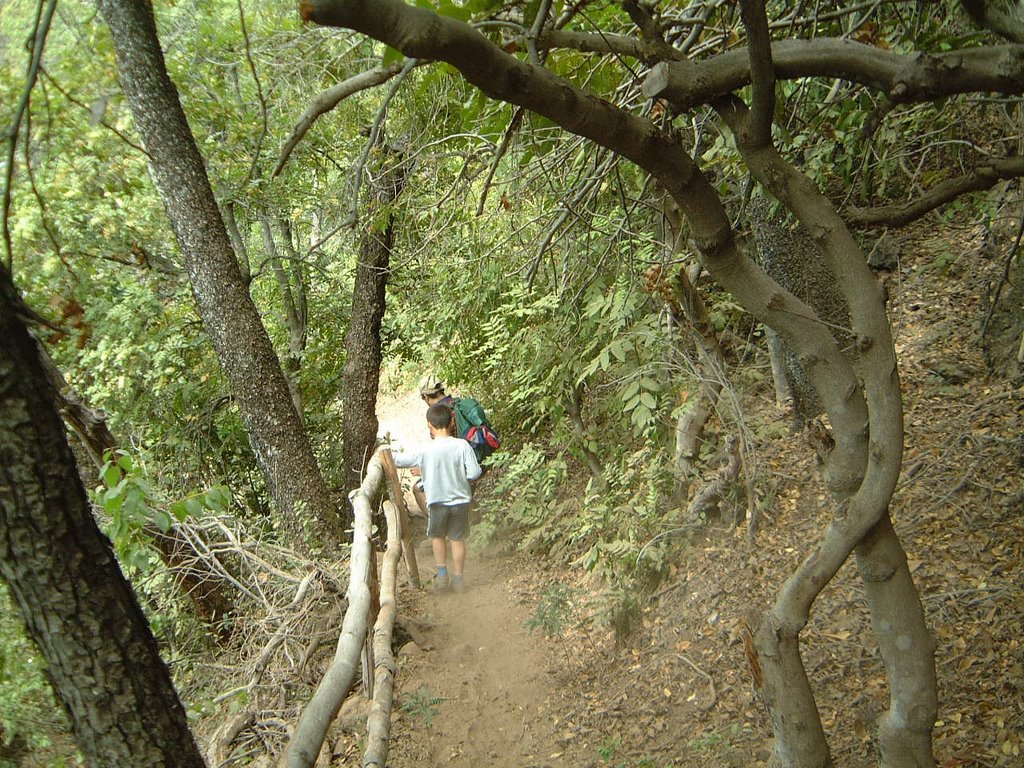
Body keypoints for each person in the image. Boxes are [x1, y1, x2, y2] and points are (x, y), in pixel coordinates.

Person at [392, 402, 481, 593]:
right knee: (458, 539)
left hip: (437, 501)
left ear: (429, 425)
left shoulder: (425, 450)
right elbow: (474, 472)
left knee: (437, 537)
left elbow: (400, 461)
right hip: (460, 500)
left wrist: (383, 452)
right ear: (451, 423)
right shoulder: (462, 445)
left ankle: (442, 576)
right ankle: (458, 579)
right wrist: (459, 478)